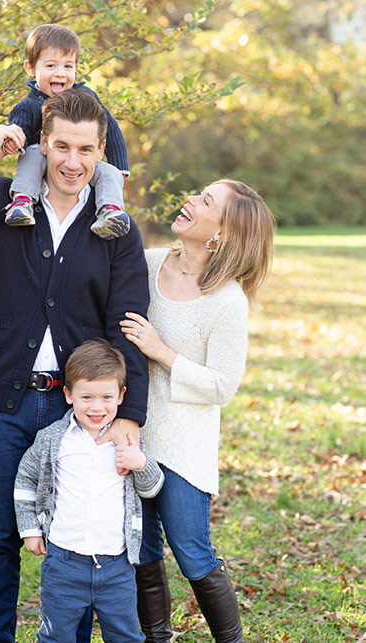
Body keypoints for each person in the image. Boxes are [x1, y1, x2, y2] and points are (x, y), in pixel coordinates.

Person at [0, 88, 150, 643]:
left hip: (82, 413)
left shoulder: (116, 229)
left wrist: (128, 413)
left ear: (101, 150)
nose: (72, 162)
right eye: (61, 146)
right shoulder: (1, 203)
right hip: (0, 404)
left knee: (83, 540)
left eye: (85, 150)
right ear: (43, 143)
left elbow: (126, 326)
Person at [118, 179, 276, 643]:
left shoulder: (227, 301)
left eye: (205, 201)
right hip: (133, 434)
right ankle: (156, 637)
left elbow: (222, 386)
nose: (189, 200)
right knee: (141, 549)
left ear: (221, 234)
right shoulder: (144, 264)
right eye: (197, 193)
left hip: (185, 449)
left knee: (190, 551)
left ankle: (231, 639)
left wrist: (161, 352)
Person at [14, 339, 164, 642]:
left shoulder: (128, 441)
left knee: (125, 636)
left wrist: (141, 463)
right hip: (64, 563)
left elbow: (151, 489)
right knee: (57, 636)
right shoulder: (54, 439)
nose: (97, 407)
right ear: (68, 395)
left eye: (107, 397)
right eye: (87, 397)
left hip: (116, 565)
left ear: (121, 396)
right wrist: (29, 529)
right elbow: (25, 478)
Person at [3, 23, 130, 240]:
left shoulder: (86, 97)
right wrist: (13, 141)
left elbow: (111, 127)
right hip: (42, 160)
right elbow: (18, 128)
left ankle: (110, 212)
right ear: (31, 68)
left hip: (76, 164)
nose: (60, 74)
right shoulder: (30, 106)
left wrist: (120, 165)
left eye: (68, 67)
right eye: (51, 66)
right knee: (33, 155)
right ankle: (22, 202)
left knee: (109, 172)